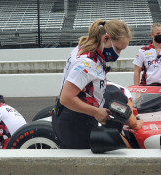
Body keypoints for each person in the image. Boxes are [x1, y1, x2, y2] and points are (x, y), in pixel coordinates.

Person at [52, 19, 143, 149]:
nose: (118, 54)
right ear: (105, 39)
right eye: (117, 48)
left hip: (73, 118)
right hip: (75, 122)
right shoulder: (87, 62)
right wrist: (96, 112)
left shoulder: (86, 48)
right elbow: (66, 98)